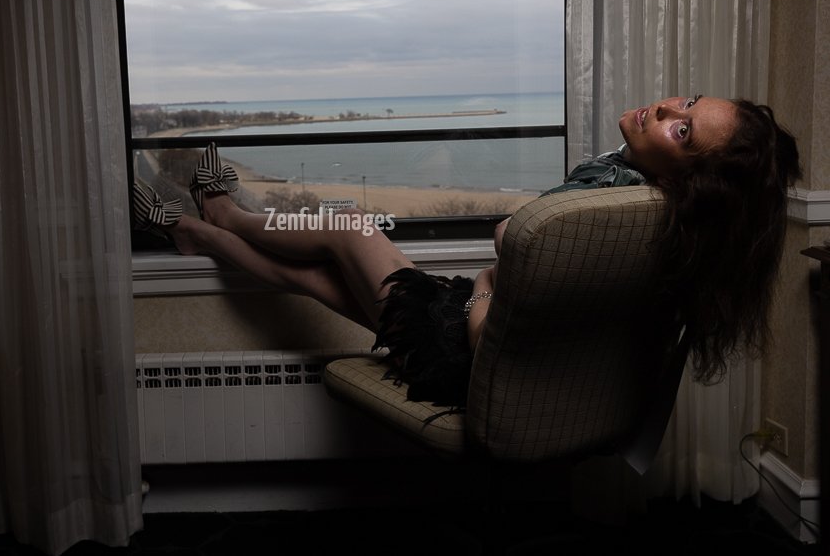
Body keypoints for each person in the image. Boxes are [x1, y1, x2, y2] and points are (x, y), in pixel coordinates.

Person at [133, 95, 801, 407]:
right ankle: (201, 232)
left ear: (690, 181)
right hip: (477, 330)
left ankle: (221, 212)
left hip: (463, 350)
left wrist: (486, 275)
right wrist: (491, 276)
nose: (664, 109)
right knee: (311, 274)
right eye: (685, 101)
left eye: (682, 130)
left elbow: (492, 320)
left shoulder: (609, 206)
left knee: (348, 228)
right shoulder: (660, 217)